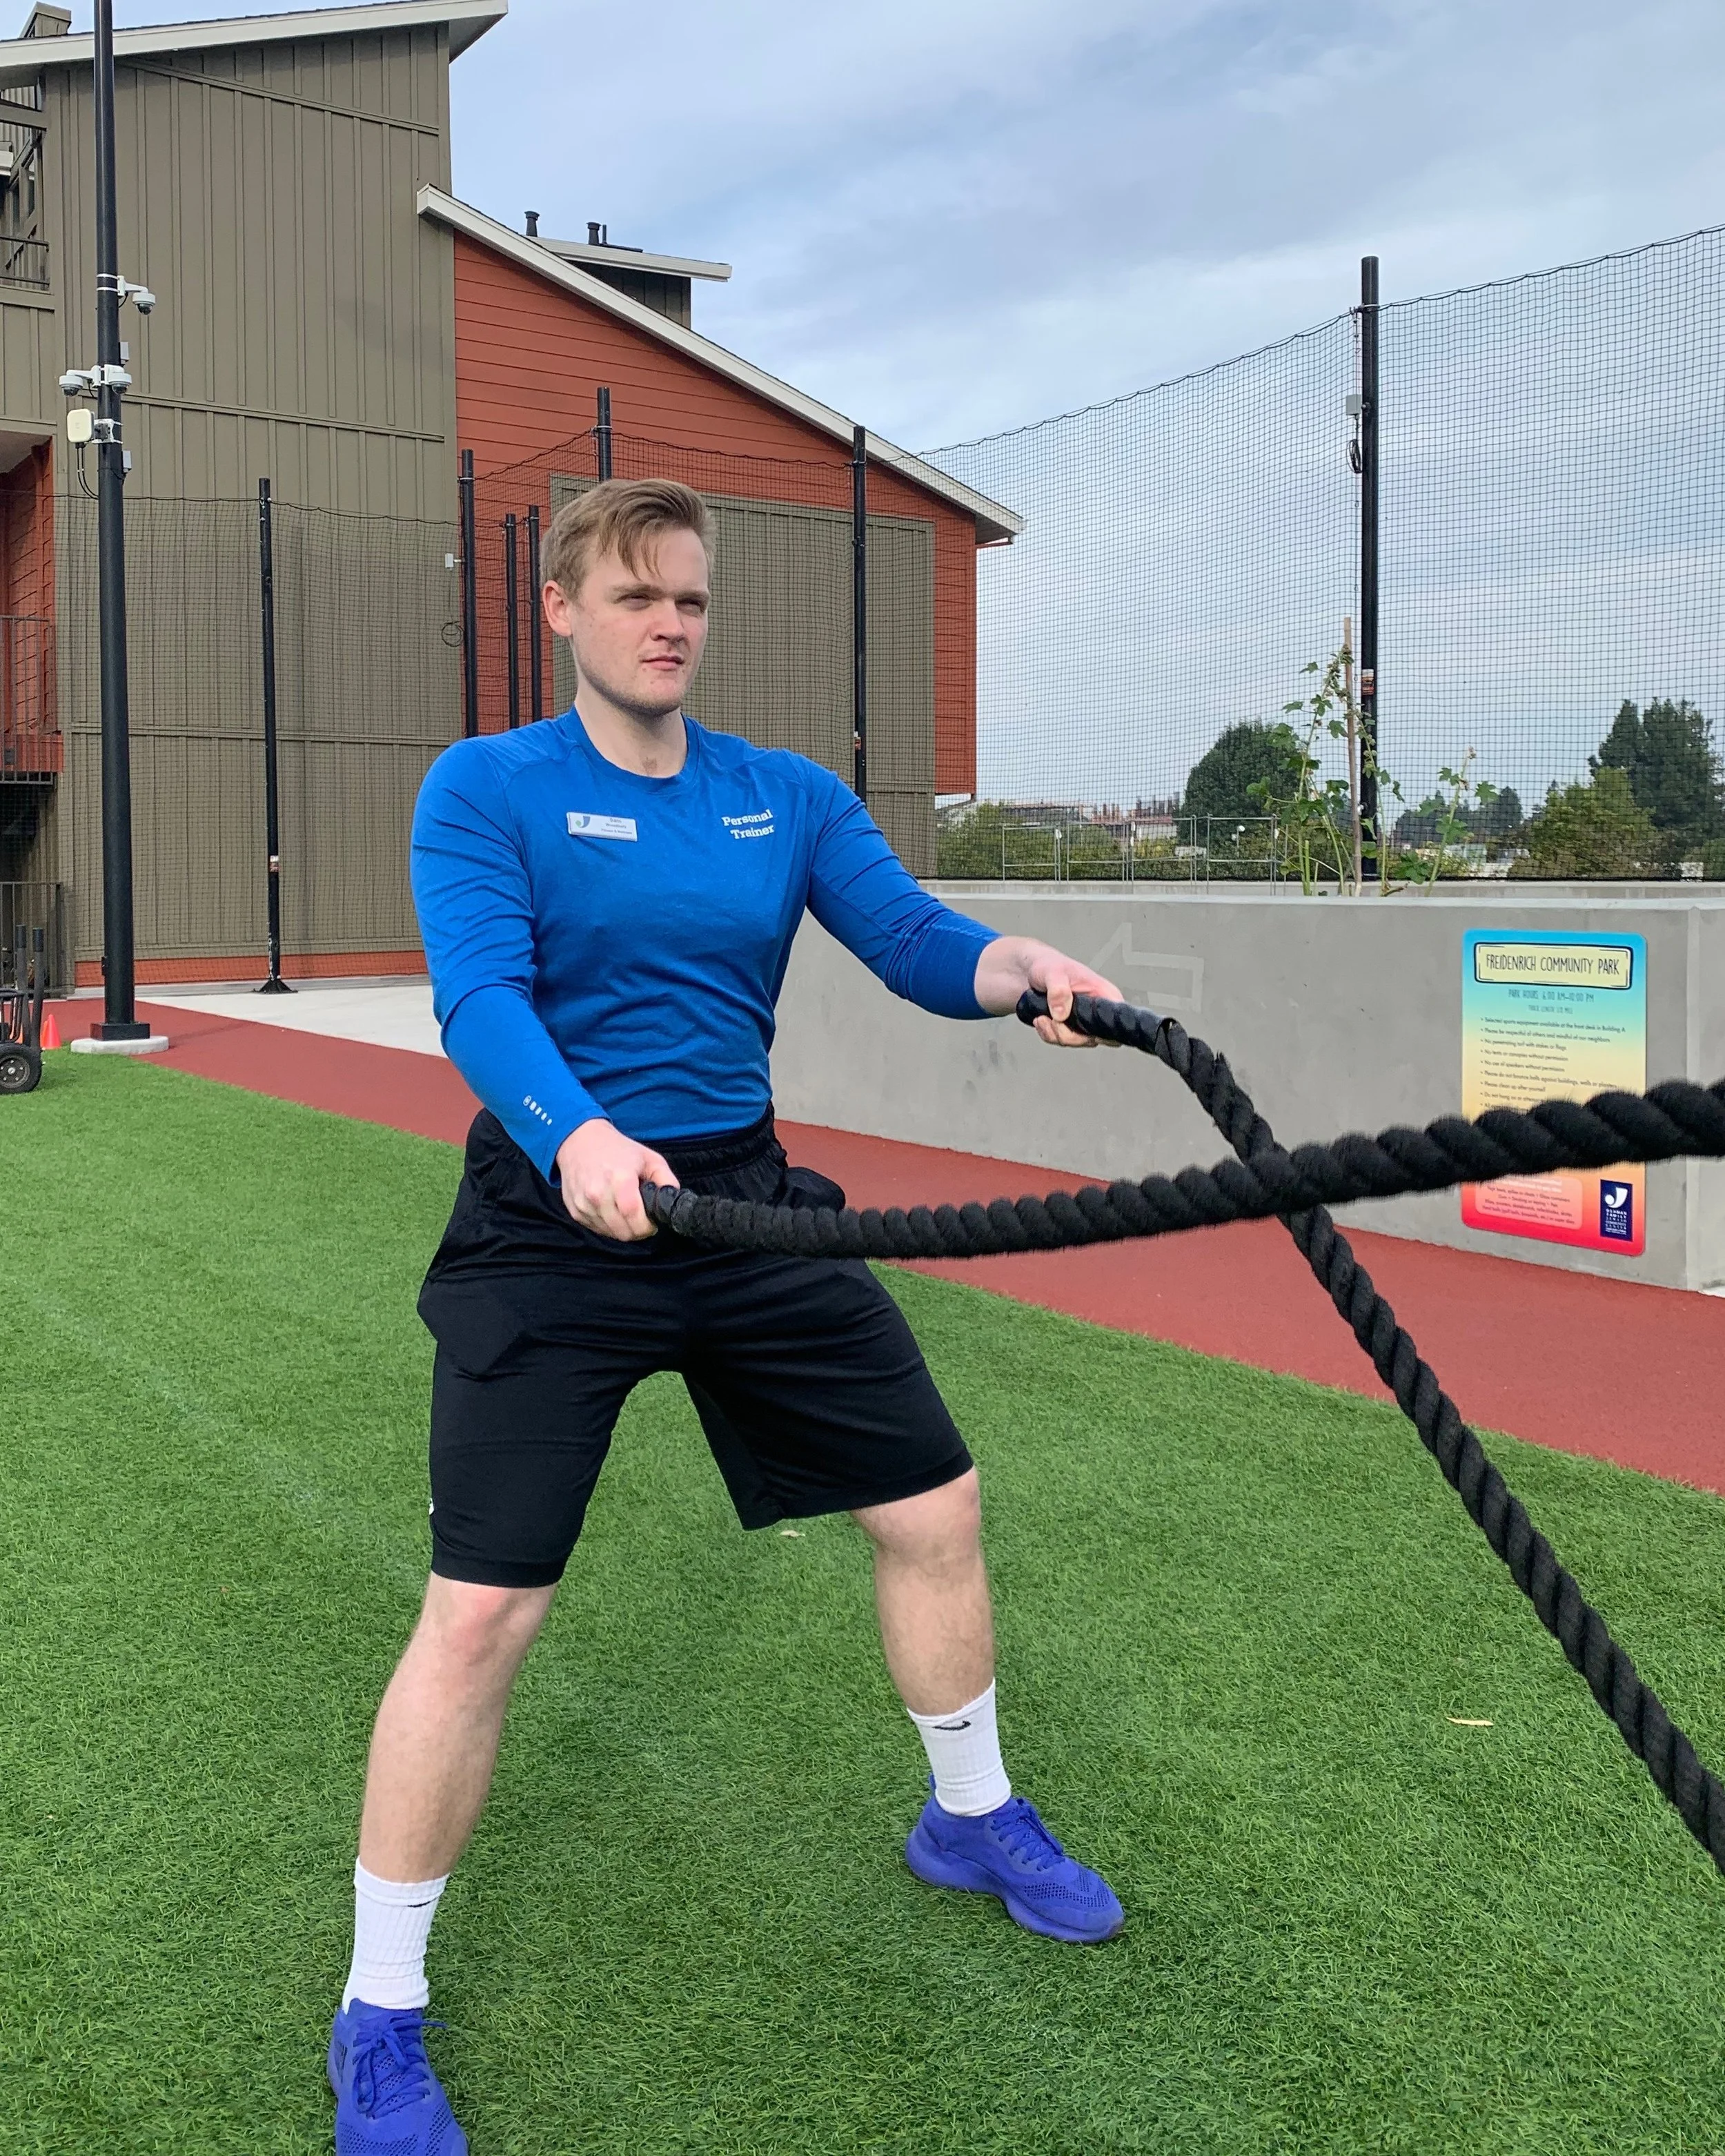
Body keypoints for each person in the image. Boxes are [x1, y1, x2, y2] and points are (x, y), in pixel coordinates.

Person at [328, 477, 1127, 2154]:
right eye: (633, 597)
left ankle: (968, 1813)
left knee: (934, 1505)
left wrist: (1018, 965)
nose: (668, 623)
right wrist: (574, 1134)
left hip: (743, 1207)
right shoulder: (486, 787)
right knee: (477, 1617)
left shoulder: (784, 797)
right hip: (550, 1226)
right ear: (561, 611)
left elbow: (913, 940)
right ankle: (378, 2003)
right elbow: (474, 989)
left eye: (687, 597)